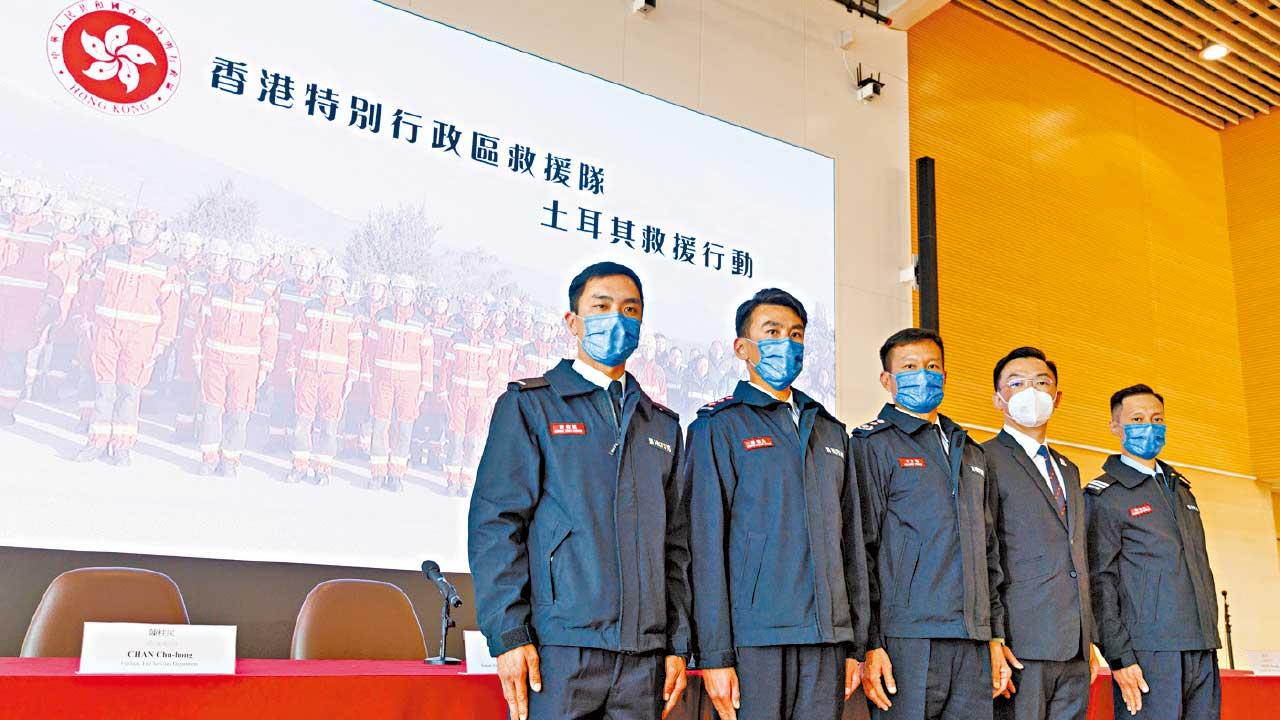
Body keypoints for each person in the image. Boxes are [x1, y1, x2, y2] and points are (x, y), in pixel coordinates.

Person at [468, 261, 690, 720]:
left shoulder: (662, 426)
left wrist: (677, 644)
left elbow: (676, 547)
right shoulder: (531, 406)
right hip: (559, 652)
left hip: (644, 658)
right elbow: (497, 526)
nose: (617, 319)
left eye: (630, 309)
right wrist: (509, 635)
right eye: (601, 306)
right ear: (573, 321)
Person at [687, 288, 867, 720]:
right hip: (755, 640)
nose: (786, 343)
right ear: (742, 347)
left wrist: (854, 643)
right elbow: (704, 548)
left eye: (796, 334)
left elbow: (851, 544)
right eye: (772, 332)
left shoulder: (829, 430)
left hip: (826, 639)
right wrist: (714, 654)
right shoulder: (719, 426)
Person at [853, 327, 1010, 719]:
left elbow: (988, 552)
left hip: (972, 638)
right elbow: (860, 550)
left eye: (932, 366)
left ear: (944, 374)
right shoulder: (873, 445)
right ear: (886, 380)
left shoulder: (969, 450)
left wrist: (994, 635)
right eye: (909, 367)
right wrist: (869, 643)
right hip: (906, 639)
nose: (922, 374)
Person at [1086, 385, 1221, 719]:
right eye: (1137, 419)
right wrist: (1118, 656)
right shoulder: (1106, 496)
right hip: (1148, 651)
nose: (1149, 426)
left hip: (1200, 644)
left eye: (1157, 419)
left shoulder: (1181, 491)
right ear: (1115, 426)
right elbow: (1099, 582)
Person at [984, 347, 1097, 720]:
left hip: (1073, 646)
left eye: (1041, 383)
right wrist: (993, 637)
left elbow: (1077, 555)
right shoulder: (982, 460)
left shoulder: (1068, 469)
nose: (1030, 392)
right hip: (1020, 644)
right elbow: (983, 554)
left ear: (1056, 397)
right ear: (998, 398)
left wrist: (1087, 638)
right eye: (1017, 383)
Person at [74, 208, 180, 464]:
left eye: (148, 226)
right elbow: (93, 289)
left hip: (140, 338)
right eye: (138, 224)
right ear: (131, 227)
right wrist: (87, 319)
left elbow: (171, 307)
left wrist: (163, 341)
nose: (143, 229)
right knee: (104, 388)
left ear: (157, 231)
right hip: (107, 332)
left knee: (129, 392)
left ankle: (122, 446)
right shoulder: (111, 254)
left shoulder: (166, 265)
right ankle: (97, 441)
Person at [194, 243, 278, 477]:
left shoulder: (263, 299)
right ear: (231, 264)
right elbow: (201, 327)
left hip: (246, 367)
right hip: (214, 361)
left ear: (254, 268)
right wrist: (198, 356)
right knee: (211, 411)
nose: (241, 268)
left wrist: (265, 367)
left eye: (246, 264)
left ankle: (230, 460)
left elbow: (270, 336)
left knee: (239, 414)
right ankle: (209, 458)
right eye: (237, 263)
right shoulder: (215, 292)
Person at [285, 262, 361, 485]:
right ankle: (299, 466)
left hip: (335, 377)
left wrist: (352, 375)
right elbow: (297, 338)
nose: (332, 285)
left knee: (329, 424)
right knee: (302, 420)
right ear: (323, 283)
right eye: (328, 281)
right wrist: (292, 365)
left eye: (337, 282)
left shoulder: (351, 314)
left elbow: (355, 347)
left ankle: (323, 469)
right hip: (308, 372)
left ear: (343, 285)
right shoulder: (310, 307)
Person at [0, 180, 61, 425]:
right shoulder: (3, 224)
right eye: (20, 197)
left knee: (14, 360)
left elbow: (57, 275)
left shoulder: (49, 234)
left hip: (26, 311)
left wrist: (49, 304)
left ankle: (6, 409)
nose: (24, 202)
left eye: (30, 199)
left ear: (40, 203)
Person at [366, 273, 433, 492]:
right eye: (399, 291)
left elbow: (427, 357)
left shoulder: (422, 323)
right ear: (393, 292)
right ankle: (378, 473)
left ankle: (396, 475)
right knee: (380, 425)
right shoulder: (381, 316)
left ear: (413, 295)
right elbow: (370, 348)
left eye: (407, 292)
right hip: (383, 381)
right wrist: (370, 375)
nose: (403, 295)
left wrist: (424, 386)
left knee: (404, 428)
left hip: (409, 385)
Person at [266, 249, 319, 450]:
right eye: (298, 267)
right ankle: (276, 440)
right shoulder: (283, 288)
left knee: (302, 399)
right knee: (280, 396)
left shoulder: (320, 294)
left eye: (306, 267)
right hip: (282, 351)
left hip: (305, 355)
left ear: (314, 269)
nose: (302, 271)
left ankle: (297, 442)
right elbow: (271, 312)